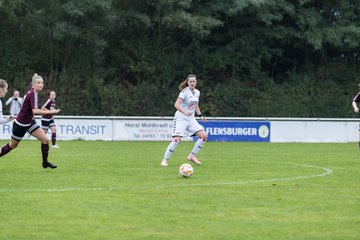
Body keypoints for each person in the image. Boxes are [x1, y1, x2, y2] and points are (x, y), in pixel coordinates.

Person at [0, 74, 61, 169]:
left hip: (29, 122)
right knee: (13, 145)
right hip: (20, 124)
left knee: (45, 140)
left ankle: (45, 163)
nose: (41, 84)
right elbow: (35, 111)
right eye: (38, 83)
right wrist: (51, 111)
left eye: (42, 82)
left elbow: (31, 111)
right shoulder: (32, 94)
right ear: (33, 85)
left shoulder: (32, 93)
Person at [160, 74, 208, 167]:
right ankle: (165, 160)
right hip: (181, 119)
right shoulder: (184, 92)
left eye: (194, 81)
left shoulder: (197, 92)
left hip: (191, 119)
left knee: (204, 136)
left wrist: (200, 115)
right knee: (177, 140)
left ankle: (192, 156)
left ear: (196, 82)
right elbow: (176, 105)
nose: (192, 83)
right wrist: (185, 112)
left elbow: (195, 104)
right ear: (187, 82)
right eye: (190, 81)